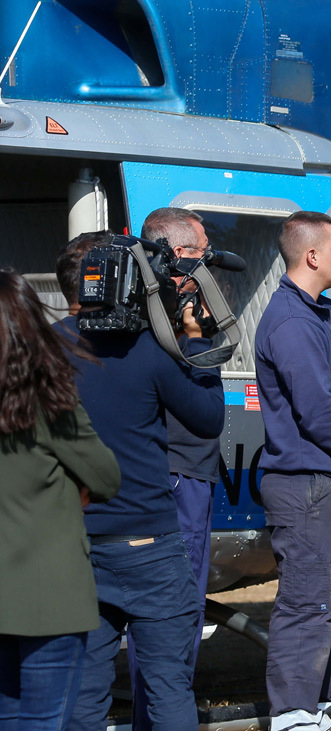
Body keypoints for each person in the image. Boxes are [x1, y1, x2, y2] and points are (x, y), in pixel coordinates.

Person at [65, 232, 225, 731]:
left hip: (76, 544)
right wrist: (195, 340)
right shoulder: (153, 349)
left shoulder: (46, 345)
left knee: (83, 693)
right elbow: (207, 418)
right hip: (150, 545)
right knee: (167, 687)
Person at [254, 211, 331, 731]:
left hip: (320, 482)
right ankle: (292, 713)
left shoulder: (312, 316)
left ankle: (310, 702)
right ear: (311, 255)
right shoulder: (291, 320)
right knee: (307, 598)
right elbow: (318, 409)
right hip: (304, 484)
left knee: (323, 597)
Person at [0, 270, 120, 731]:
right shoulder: (50, 403)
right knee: (46, 720)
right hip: (50, 596)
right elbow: (106, 477)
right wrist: (72, 486)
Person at [125, 207, 221, 731]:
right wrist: (196, 333)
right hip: (179, 473)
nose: (210, 262)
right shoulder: (165, 314)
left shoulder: (134, 303)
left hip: (178, 472)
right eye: (203, 252)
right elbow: (200, 404)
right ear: (181, 255)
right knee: (172, 616)